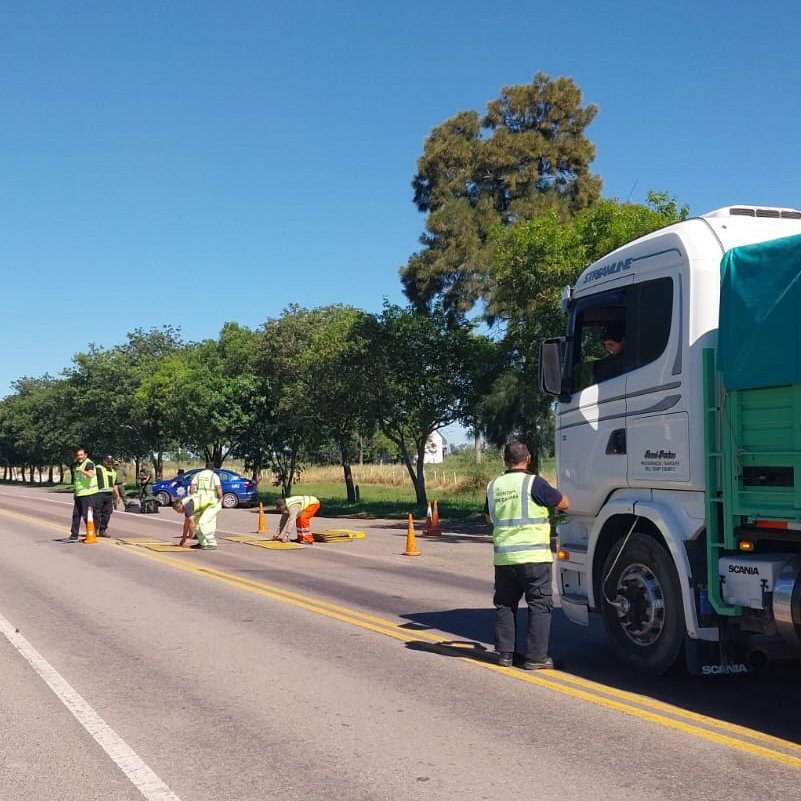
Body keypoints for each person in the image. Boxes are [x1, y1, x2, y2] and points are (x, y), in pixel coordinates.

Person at [486, 440, 569, 670]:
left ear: (505, 460)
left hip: (504, 559)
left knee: (505, 604)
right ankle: (536, 657)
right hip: (534, 557)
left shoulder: (494, 486)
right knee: (539, 604)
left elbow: (487, 517)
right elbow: (564, 502)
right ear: (529, 458)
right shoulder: (535, 483)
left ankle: (505, 655)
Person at [188, 462, 223, 549]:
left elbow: (192, 486)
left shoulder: (199, 474)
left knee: (198, 522)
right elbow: (218, 488)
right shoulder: (214, 476)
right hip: (211, 502)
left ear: (205, 467)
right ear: (213, 468)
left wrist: (192, 497)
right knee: (209, 522)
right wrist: (220, 498)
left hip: (200, 501)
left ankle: (202, 542)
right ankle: (211, 542)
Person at [67, 447, 98, 542]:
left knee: (86, 515)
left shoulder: (88, 464)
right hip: (80, 494)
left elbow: (91, 475)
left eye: (81, 455)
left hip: (88, 494)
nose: (79, 457)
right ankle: (74, 534)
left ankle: (91, 533)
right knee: (76, 515)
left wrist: (81, 470)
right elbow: (78, 481)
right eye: (78, 455)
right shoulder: (78, 464)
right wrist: (76, 492)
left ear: (85, 455)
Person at [95, 455, 122, 537]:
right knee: (96, 513)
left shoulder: (113, 472)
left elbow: (115, 485)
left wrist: (118, 496)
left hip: (109, 495)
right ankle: (94, 529)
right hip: (98, 493)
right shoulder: (97, 468)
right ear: (104, 461)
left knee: (107, 513)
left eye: (111, 462)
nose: (109, 463)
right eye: (108, 461)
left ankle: (102, 530)